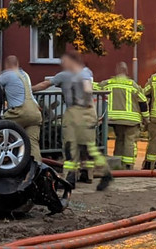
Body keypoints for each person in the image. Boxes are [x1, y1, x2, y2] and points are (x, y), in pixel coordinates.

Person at [33, 52, 107, 186]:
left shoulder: (64, 75)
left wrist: (28, 90)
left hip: (74, 112)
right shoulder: (87, 72)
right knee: (87, 143)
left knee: (70, 145)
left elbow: (45, 84)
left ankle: (69, 177)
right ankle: (87, 174)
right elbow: (88, 88)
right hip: (90, 111)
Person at [0, 56, 43, 162]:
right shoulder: (25, 75)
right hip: (35, 112)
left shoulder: (7, 75)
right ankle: (37, 169)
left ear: (7, 65)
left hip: (19, 112)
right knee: (32, 143)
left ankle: (1, 161)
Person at [101, 63, 145, 172]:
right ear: (126, 71)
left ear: (116, 71)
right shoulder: (132, 85)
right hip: (131, 120)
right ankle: (128, 165)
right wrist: (146, 117)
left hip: (115, 119)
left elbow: (95, 87)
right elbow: (143, 101)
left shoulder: (108, 83)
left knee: (119, 139)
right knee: (129, 140)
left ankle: (117, 164)